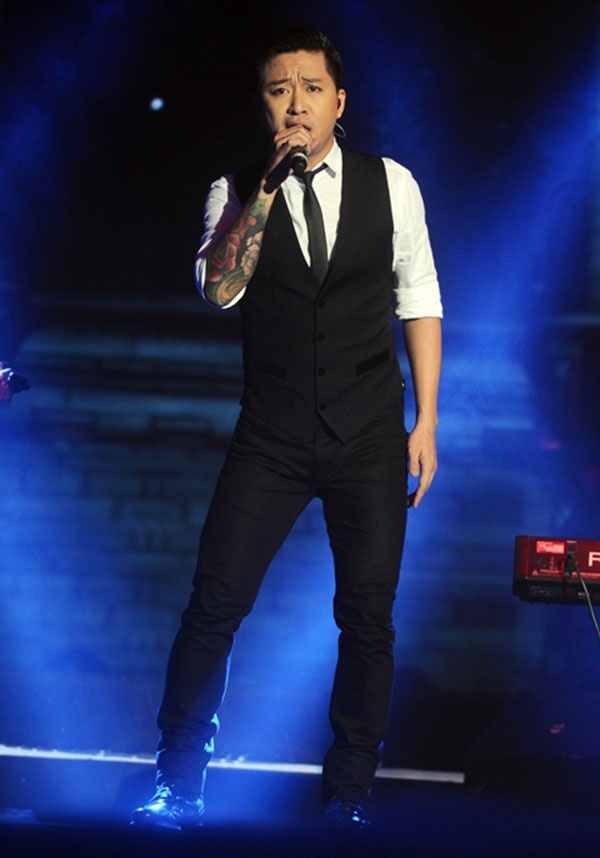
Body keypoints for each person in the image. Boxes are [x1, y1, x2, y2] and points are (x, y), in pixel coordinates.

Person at [131, 25, 442, 832]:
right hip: (271, 433)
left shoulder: (392, 184)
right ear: (263, 106)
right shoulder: (236, 189)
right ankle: (177, 783)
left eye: (310, 88)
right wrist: (266, 190)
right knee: (215, 603)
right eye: (279, 90)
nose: (295, 103)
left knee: (367, 615)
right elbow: (220, 289)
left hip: (369, 430)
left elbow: (419, 298)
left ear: (340, 101)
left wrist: (426, 421)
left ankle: (347, 796)